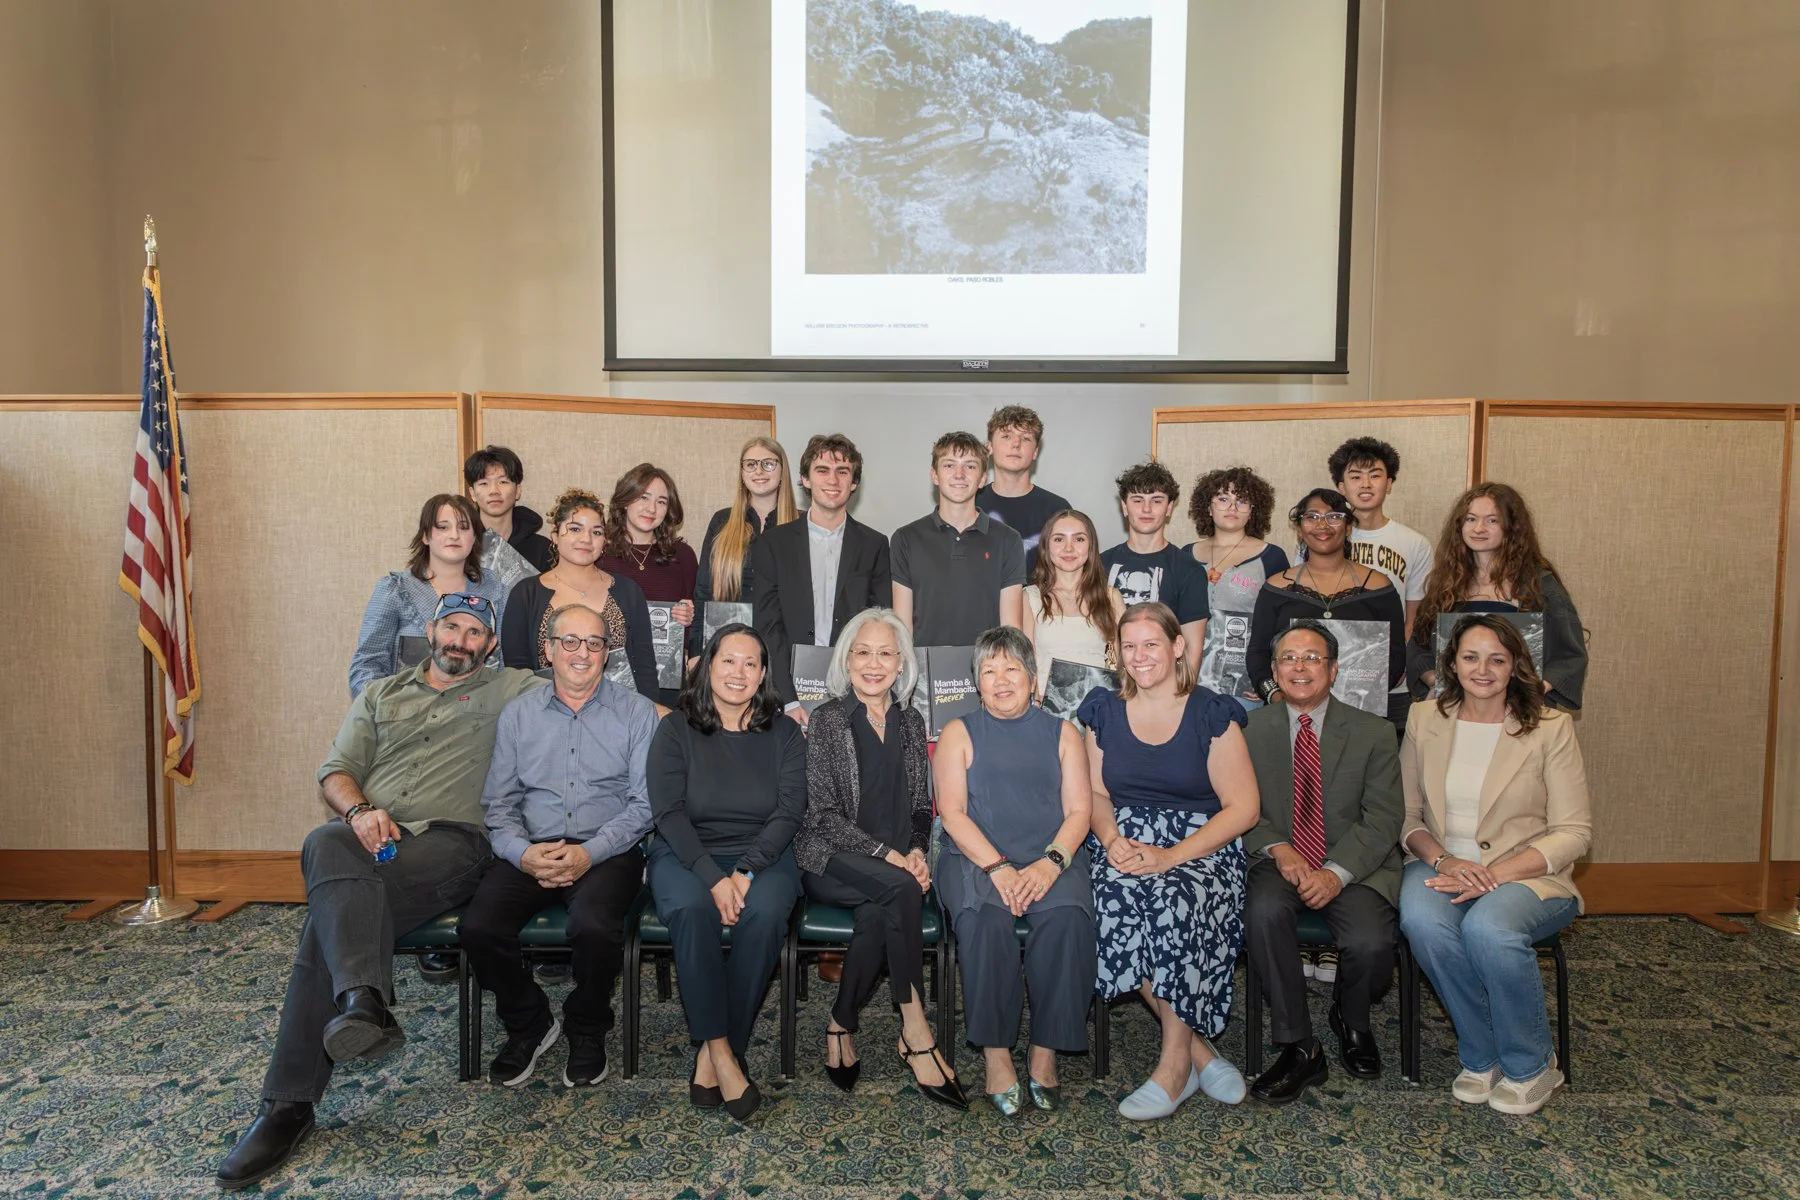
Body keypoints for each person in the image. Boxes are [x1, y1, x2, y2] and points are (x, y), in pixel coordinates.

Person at [215, 593, 543, 1191]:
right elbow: (336, 771)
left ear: (490, 645)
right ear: (431, 629)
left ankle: (287, 1105)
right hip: (377, 844)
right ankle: (362, 1001)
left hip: (453, 842)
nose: (461, 641)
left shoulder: (510, 689)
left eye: (475, 633)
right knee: (326, 841)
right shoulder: (381, 694)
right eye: (452, 627)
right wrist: (361, 810)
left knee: (326, 922)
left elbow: (584, 682)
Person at [1398, 616, 1591, 1116]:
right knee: (1422, 920)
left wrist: (1496, 875)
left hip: (1527, 873)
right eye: (1470, 657)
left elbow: (1575, 832)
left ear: (1515, 666)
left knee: (1488, 928)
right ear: (1452, 663)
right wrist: (1444, 859)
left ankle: (1532, 1064)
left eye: (1497, 659)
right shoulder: (1423, 719)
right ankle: (1482, 1054)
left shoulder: (1551, 727)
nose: (1482, 669)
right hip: (1441, 861)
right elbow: (1408, 818)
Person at [461, 603, 660, 1088]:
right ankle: (529, 1021)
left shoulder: (636, 714)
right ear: (548, 651)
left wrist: (590, 853)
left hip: (607, 849)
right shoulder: (518, 716)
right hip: (531, 847)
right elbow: (500, 804)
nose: (581, 653)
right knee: (478, 927)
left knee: (593, 927)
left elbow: (644, 806)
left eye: (594, 643)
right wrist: (521, 853)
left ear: (607, 654)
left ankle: (587, 1026)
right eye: (569, 641)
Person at [1078, 602, 1259, 1120]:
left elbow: (1244, 809)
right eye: (1129, 646)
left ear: (1178, 646)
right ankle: (1199, 1051)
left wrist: (1171, 856)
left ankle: (1174, 1066)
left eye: (1151, 644)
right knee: (1109, 900)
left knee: (1171, 901)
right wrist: (1110, 838)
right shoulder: (1103, 710)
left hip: (1201, 847)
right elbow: (1094, 791)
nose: (1140, 656)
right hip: (1125, 839)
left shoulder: (1211, 712)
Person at [793, 608, 968, 1109]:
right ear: (847, 660)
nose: (874, 663)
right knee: (901, 890)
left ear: (901, 663)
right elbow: (822, 815)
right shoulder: (827, 720)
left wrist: (915, 848)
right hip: (832, 860)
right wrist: (890, 856)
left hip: (893, 868)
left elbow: (919, 805)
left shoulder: (911, 721)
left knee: (881, 911)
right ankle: (915, 1031)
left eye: (885, 653)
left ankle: (841, 1023)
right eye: (863, 652)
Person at [933, 627, 1096, 1115]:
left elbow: (1080, 813)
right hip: (975, 858)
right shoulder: (958, 732)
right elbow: (953, 813)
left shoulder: (1064, 733)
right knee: (985, 925)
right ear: (976, 683)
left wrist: (1049, 865)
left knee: (1068, 922)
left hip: (1053, 857)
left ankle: (1045, 1050)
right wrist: (1000, 868)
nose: (1001, 680)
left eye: (1011, 669)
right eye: (989, 671)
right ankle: (997, 1054)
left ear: (1032, 678)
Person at [647, 624, 806, 1121]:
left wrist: (746, 870)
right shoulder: (675, 729)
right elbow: (668, 813)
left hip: (764, 854)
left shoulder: (784, 733)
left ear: (763, 674)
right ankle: (721, 1051)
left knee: (764, 917)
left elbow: (789, 812)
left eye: (750, 663)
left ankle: (715, 1051)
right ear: (707, 665)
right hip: (686, 852)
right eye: (728, 661)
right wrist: (715, 878)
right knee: (692, 912)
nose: (738, 673)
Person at [1242, 621, 1404, 1103]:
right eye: (1289, 658)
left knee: (1372, 942)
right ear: (1273, 671)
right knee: (1264, 912)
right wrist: (1280, 848)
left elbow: (1384, 818)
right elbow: (1239, 805)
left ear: (1333, 669)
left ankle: (1351, 1019)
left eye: (1312, 658)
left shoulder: (1374, 732)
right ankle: (1299, 1046)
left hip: (1355, 866)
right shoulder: (1248, 730)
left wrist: (1334, 874)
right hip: (1278, 860)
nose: (1300, 667)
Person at [752, 433, 893, 725]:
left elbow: (876, 626)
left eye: (843, 472)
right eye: (822, 470)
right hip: (785, 699)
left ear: (854, 483)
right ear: (805, 479)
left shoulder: (875, 545)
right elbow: (767, 626)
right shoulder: (773, 544)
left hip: (852, 696)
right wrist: (788, 700)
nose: (833, 480)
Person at [1410, 482, 1587, 710]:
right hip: (1455, 709)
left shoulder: (1538, 585)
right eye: (1471, 519)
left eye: (1492, 520)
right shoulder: (1445, 584)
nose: (1479, 528)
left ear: (1511, 528)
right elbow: (1419, 645)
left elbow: (1570, 655)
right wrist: (1437, 682)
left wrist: (1534, 691)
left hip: (1519, 714)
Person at [1247, 489, 1407, 727]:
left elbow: (1394, 657)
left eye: (1334, 516)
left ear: (1349, 527)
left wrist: (1360, 701)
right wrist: (1276, 696)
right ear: (1300, 528)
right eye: (1311, 517)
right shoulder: (1275, 587)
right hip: (1289, 719)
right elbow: (1258, 655)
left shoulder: (1379, 587)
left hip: (1359, 721)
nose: (1322, 525)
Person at [498, 487, 658, 698]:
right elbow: (517, 671)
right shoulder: (526, 593)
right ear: (555, 535)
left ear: (604, 542)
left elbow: (645, 668)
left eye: (597, 532)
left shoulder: (627, 591)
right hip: (547, 714)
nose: (586, 539)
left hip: (619, 715)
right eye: (575, 529)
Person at [348, 494, 509, 698]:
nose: (454, 535)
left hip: (477, 718)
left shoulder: (496, 592)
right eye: (443, 527)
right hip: (406, 718)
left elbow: (504, 666)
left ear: (475, 536)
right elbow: (366, 666)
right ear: (425, 536)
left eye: (463, 527)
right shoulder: (396, 590)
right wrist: (389, 710)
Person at [891, 432, 1026, 647]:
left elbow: (1011, 629)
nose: (959, 474)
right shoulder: (906, 539)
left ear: (982, 478)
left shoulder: (1008, 540)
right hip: (925, 674)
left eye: (970, 466)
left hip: (986, 674)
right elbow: (901, 629)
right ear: (934, 475)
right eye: (949, 465)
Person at [1185, 466, 1290, 711]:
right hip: (1190, 681)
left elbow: (1283, 625)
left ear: (1253, 510)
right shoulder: (1184, 555)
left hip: (1244, 684)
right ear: (1208, 507)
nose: (1232, 508)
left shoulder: (1272, 557)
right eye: (1223, 499)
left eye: (1241, 501)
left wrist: (1268, 677)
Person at [598, 463, 699, 705]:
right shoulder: (599, 554)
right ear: (624, 500)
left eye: (662, 501)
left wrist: (690, 616)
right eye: (643, 497)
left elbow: (698, 628)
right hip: (609, 678)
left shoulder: (683, 555)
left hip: (667, 681)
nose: (652, 508)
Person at [693, 437, 799, 655]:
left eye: (768, 463)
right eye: (750, 464)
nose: (758, 471)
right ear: (742, 473)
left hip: (784, 651)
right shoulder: (721, 522)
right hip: (728, 649)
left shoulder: (803, 526)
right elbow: (703, 593)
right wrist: (696, 653)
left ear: (782, 471)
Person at [1101, 462, 1208, 671]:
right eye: (1137, 500)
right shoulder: (1099, 564)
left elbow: (1192, 650)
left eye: (1156, 500)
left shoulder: (1189, 570)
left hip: (1162, 687)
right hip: (1104, 684)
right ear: (1124, 506)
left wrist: (1178, 700)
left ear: (1169, 507)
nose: (1146, 509)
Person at [1328, 437, 1433, 639]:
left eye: (1375, 476)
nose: (1366, 484)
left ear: (1389, 484)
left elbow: (1412, 621)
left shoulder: (1415, 544)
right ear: (1341, 487)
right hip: (1333, 648)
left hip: (1387, 652)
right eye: (1356, 477)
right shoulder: (1322, 539)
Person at [1021, 509, 1123, 689]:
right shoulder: (1029, 598)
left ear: (1091, 546)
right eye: (1059, 539)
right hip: (1044, 710)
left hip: (1100, 710)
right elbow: (1025, 666)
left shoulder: (1111, 598)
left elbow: (1124, 661)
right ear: (1046, 546)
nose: (1069, 548)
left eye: (1079, 539)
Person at [976, 404, 1071, 576]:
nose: (1016, 444)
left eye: (1026, 438)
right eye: (1006, 436)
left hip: (1040, 602)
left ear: (1035, 452)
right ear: (989, 447)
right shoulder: (972, 504)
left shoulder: (1057, 509)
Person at [465, 443, 555, 572]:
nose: (494, 491)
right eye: (484, 483)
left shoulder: (542, 549)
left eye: (503, 482)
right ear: (473, 493)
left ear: (518, 491)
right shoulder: (462, 544)